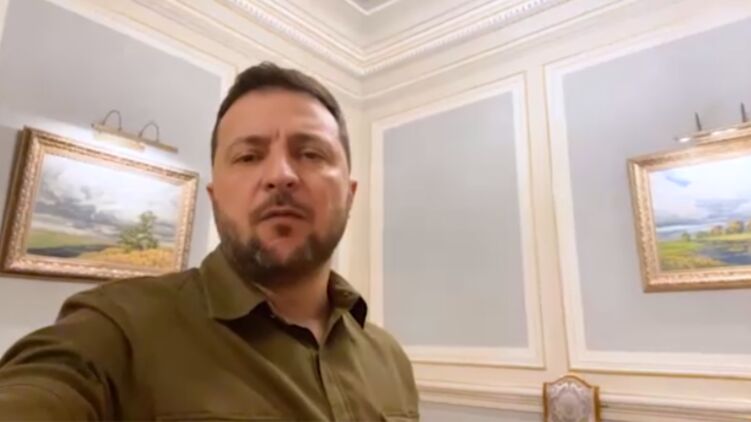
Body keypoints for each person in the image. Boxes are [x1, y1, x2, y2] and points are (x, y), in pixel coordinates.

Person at [0, 62, 419, 421]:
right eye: (248, 156)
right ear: (215, 197)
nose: (280, 175)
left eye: (310, 153)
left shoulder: (389, 358)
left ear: (349, 193)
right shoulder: (116, 330)